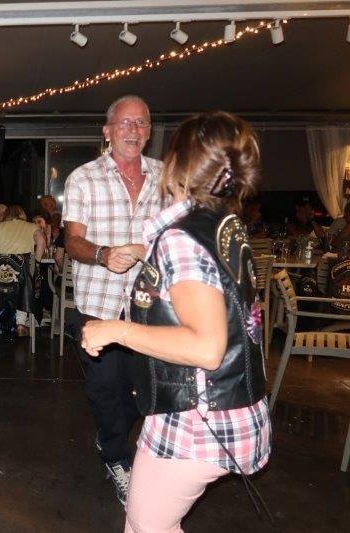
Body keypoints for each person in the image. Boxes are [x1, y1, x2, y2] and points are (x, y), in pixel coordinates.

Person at [81, 111, 270, 531]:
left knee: (145, 527)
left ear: (179, 164)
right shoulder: (222, 223)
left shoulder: (182, 238)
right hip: (230, 407)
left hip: (197, 418)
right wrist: (146, 253)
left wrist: (116, 329)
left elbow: (206, 347)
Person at [62, 94, 165, 505]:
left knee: (144, 388)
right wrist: (104, 255)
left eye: (141, 123)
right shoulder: (83, 178)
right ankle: (117, 457)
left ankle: (110, 434)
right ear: (107, 132)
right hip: (99, 303)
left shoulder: (166, 176)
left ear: (149, 131)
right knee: (105, 388)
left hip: (150, 306)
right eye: (124, 123)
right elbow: (72, 241)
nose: (133, 130)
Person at [0, 205, 46, 336]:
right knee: (25, 283)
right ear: (23, 215)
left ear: (7, 215)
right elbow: (42, 242)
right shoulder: (32, 227)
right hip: (20, 278)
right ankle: (21, 324)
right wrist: (36, 264)